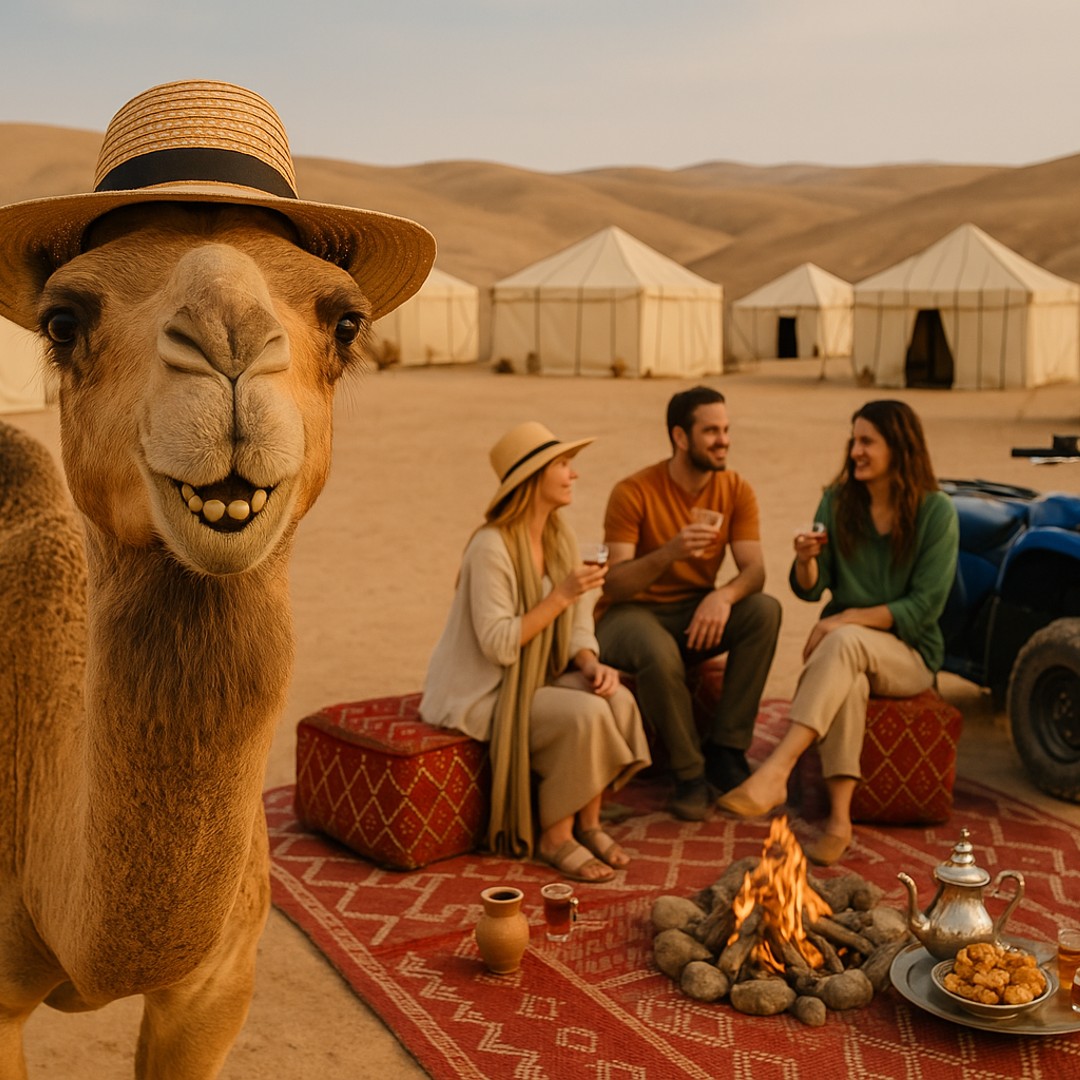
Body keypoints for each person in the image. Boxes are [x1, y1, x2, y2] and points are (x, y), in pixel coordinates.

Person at [717, 399, 960, 866]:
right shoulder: (838, 501)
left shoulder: (936, 513)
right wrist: (807, 560)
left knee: (843, 641)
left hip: (908, 653)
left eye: (868, 441)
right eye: (854, 440)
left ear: (900, 447)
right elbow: (812, 590)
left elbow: (925, 606)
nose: (855, 451)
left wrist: (843, 619)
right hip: (848, 652)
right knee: (848, 676)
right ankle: (840, 822)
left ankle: (778, 768)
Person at [420, 421, 651, 883]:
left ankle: (589, 823)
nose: (573, 475)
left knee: (615, 697)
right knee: (584, 716)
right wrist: (561, 596)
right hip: (485, 691)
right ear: (533, 479)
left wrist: (590, 663)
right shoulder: (490, 548)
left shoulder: (560, 539)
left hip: (537, 678)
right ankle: (555, 835)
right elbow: (500, 645)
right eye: (563, 465)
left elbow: (578, 625)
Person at [595, 386, 782, 822]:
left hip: (694, 609)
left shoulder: (735, 489)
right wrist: (669, 552)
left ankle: (726, 750)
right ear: (681, 437)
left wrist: (723, 595)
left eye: (726, 430)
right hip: (627, 616)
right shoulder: (633, 491)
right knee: (656, 651)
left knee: (764, 611)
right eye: (711, 431)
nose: (724, 440)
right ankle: (689, 773)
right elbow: (614, 584)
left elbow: (754, 570)